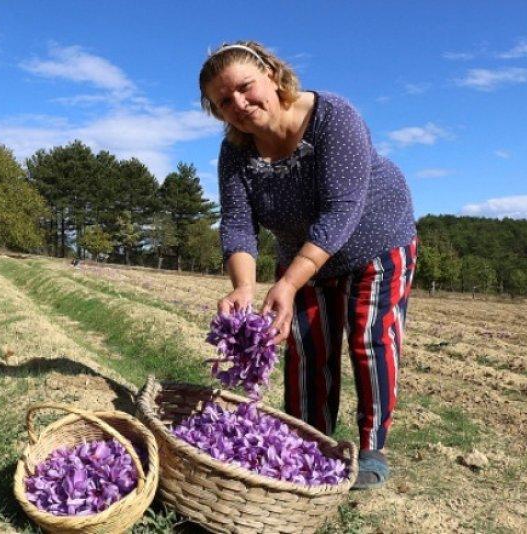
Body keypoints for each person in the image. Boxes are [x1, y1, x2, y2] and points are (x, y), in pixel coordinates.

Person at [201, 41, 418, 490]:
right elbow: (239, 225)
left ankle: (372, 448)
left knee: (369, 340)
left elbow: (341, 209)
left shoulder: (332, 117)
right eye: (224, 101)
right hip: (303, 254)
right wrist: (244, 287)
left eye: (245, 87)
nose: (239, 104)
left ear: (272, 76)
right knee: (307, 349)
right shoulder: (236, 153)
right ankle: (309, 442)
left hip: (376, 239)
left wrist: (289, 281)